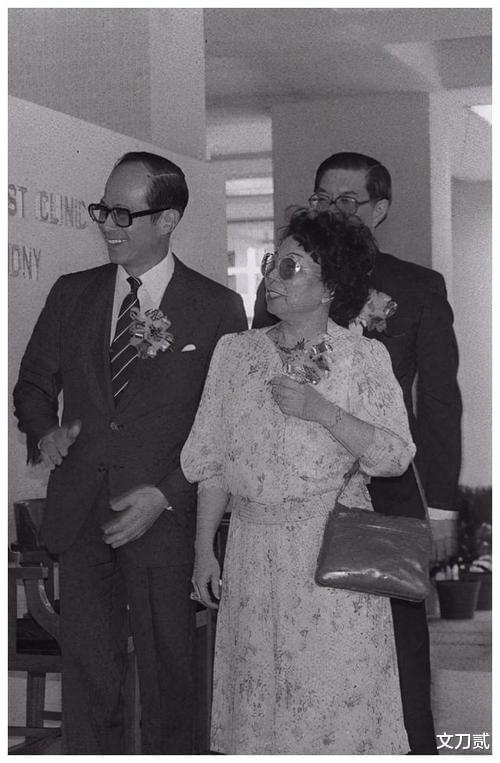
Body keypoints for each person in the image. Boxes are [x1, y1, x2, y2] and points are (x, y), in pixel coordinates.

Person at [13, 151, 247, 754]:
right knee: (91, 681)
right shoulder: (73, 293)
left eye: (123, 214)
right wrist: (44, 430)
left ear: (167, 220)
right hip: (81, 515)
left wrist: (165, 496)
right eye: (103, 210)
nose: (108, 225)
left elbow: (222, 427)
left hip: (163, 522)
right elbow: (32, 385)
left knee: (170, 679)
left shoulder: (217, 308)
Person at [181, 207, 416, 754]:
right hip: (250, 553)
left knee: (337, 710)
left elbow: (395, 456)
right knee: (259, 715)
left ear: (331, 285)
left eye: (290, 267)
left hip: (331, 551)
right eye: (272, 263)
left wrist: (324, 412)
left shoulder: (362, 358)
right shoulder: (235, 353)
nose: (272, 277)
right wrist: (203, 551)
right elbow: (210, 460)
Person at [252, 151, 462, 754]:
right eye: (322, 198)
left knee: (399, 639)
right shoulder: (282, 280)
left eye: (348, 201)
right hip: (295, 495)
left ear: (380, 209)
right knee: (308, 642)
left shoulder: (418, 286)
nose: (332, 209)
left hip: (384, 486)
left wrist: (442, 506)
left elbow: (439, 402)